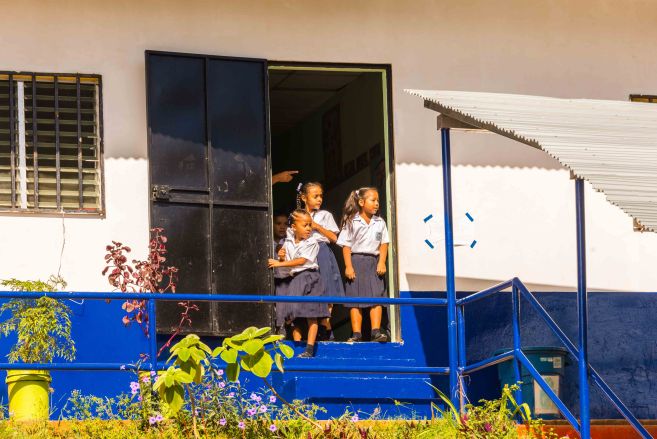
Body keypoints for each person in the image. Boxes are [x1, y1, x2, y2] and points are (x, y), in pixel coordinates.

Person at [268, 209, 329, 358]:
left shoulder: (312, 242)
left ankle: (310, 348)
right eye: (305, 225)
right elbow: (289, 263)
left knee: (312, 314)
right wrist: (282, 257)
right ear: (294, 227)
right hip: (296, 279)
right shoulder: (288, 242)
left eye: (310, 225)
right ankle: (295, 341)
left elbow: (301, 261)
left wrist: (279, 263)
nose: (308, 228)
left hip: (310, 277)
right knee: (293, 312)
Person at [336, 187, 389, 343]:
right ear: (361, 202)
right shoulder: (352, 221)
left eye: (377, 200)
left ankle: (376, 332)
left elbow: (384, 243)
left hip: (374, 262)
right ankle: (357, 334)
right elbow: (346, 246)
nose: (376, 203)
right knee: (355, 299)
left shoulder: (379, 222)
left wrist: (382, 262)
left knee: (376, 297)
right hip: (356, 261)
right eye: (373, 200)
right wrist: (348, 266)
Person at [296, 182, 344, 341]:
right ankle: (320, 331)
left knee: (328, 287)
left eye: (321, 196)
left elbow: (334, 238)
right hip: (304, 252)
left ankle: (324, 326)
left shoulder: (325, 215)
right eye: (315, 196)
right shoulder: (297, 215)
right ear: (304, 197)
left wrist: (316, 226)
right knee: (309, 289)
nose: (319, 199)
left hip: (322, 251)